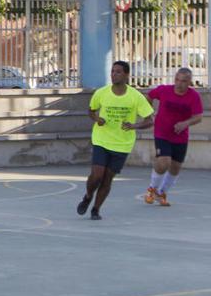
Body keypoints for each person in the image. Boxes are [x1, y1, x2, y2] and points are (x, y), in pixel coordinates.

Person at [77, 61, 154, 220]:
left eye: (118, 72)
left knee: (107, 178)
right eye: (112, 71)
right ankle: (88, 196)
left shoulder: (135, 96)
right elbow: (91, 111)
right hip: (101, 139)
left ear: (126, 75)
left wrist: (134, 125)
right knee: (97, 175)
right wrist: (97, 118)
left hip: (122, 144)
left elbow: (149, 120)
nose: (114, 74)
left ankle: (96, 209)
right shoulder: (102, 93)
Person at [143, 68, 203, 207]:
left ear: (189, 82)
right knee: (164, 161)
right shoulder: (164, 90)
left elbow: (198, 117)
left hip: (180, 136)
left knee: (175, 167)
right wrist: (149, 113)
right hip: (162, 133)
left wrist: (185, 123)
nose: (179, 84)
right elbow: (148, 97)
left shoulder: (193, 96)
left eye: (183, 81)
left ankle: (162, 192)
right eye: (177, 80)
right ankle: (152, 188)